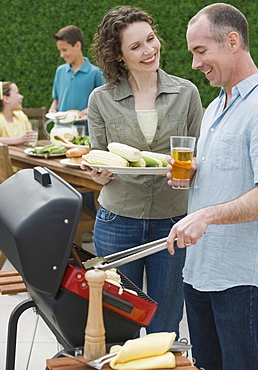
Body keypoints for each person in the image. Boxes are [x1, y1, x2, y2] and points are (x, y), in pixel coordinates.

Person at [82, 6, 203, 335]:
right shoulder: (100, 99)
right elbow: (99, 157)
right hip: (118, 220)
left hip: (173, 222)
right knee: (119, 322)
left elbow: (200, 155)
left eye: (150, 39)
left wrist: (191, 169)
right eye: (136, 46)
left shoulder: (187, 93)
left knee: (165, 324)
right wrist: (98, 174)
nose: (149, 50)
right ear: (119, 55)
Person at [166, 3, 258, 369]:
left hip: (242, 282)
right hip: (200, 273)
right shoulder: (215, 107)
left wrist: (206, 215)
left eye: (200, 51)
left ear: (232, 41)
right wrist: (187, 176)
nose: (194, 64)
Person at [49, 25, 106, 134]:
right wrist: (52, 110)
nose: (61, 55)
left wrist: (90, 110)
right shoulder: (60, 71)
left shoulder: (95, 73)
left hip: (86, 132)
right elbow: (56, 99)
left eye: (64, 50)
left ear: (77, 45)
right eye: (60, 50)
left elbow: (104, 102)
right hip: (62, 131)